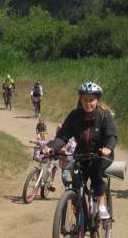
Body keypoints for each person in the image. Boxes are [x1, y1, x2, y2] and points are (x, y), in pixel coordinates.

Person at [49, 82, 118, 220]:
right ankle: (80, 222)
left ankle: (102, 205)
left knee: (96, 171)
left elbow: (112, 136)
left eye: (91, 100)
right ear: (80, 100)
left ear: (97, 100)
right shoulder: (75, 116)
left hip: (101, 155)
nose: (88, 103)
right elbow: (63, 135)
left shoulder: (104, 116)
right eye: (85, 100)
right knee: (75, 186)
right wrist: (52, 148)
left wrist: (108, 148)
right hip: (81, 155)